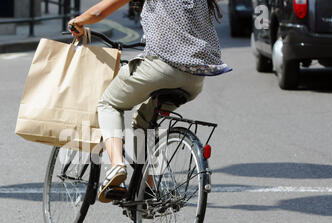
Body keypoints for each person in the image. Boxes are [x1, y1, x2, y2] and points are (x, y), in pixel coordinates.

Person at [68, 0, 231, 203]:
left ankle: (117, 166)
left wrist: (78, 22)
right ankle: (147, 188)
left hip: (162, 69)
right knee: (144, 122)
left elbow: (100, 11)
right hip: (196, 79)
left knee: (109, 104)